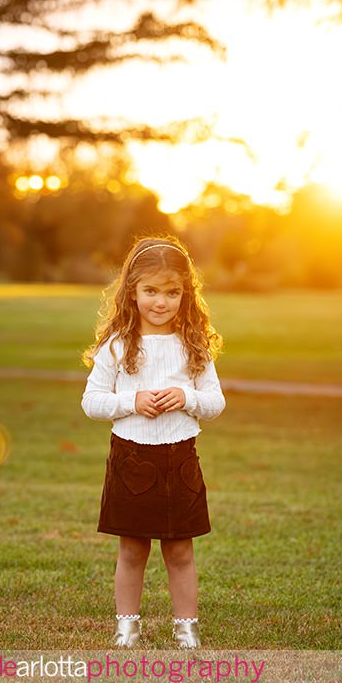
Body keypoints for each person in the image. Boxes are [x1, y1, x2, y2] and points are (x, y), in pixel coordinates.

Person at [81, 235, 225, 649]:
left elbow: (216, 402)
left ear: (186, 295)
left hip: (179, 459)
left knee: (180, 551)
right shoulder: (118, 346)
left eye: (172, 292)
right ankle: (127, 629)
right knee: (132, 550)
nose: (160, 302)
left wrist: (187, 397)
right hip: (131, 457)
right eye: (150, 291)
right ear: (132, 292)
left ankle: (187, 630)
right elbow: (91, 402)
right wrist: (132, 402)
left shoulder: (193, 346)